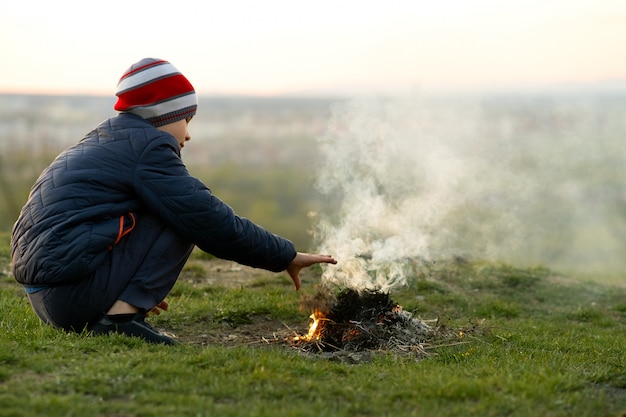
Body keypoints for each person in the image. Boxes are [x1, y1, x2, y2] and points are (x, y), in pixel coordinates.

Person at [10, 58, 337, 345]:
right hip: (71, 296)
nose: (189, 135)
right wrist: (285, 255)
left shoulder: (108, 139)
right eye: (187, 120)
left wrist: (128, 283)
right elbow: (209, 219)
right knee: (189, 212)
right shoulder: (148, 147)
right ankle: (120, 320)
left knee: (177, 206)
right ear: (165, 114)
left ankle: (121, 308)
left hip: (46, 299)